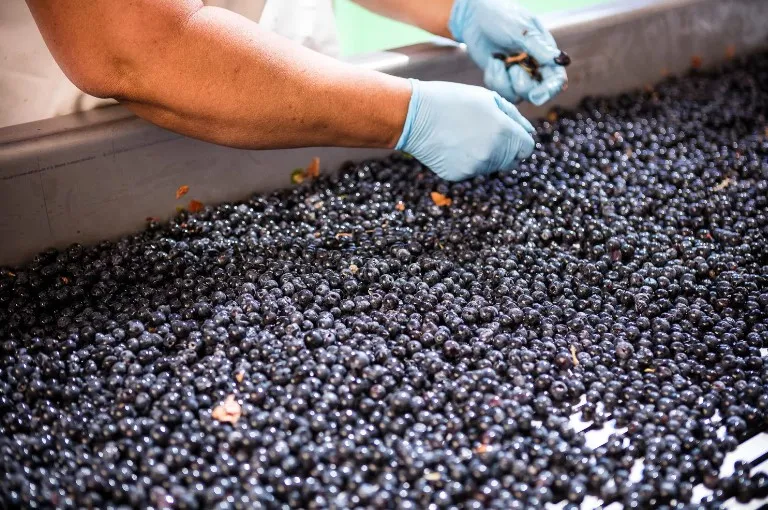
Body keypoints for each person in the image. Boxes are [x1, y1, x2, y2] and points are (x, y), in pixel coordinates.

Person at [16, 0, 568, 181]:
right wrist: (409, 115)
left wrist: (457, 9)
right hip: (83, 155)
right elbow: (133, 47)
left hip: (311, 98)